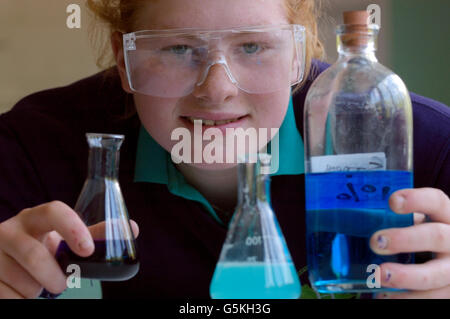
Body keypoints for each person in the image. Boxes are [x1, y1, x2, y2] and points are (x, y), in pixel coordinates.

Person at [0, 0, 449, 299]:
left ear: (299, 54)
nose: (215, 91)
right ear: (124, 60)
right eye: (178, 49)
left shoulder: (427, 146)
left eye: (252, 46)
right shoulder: (38, 143)